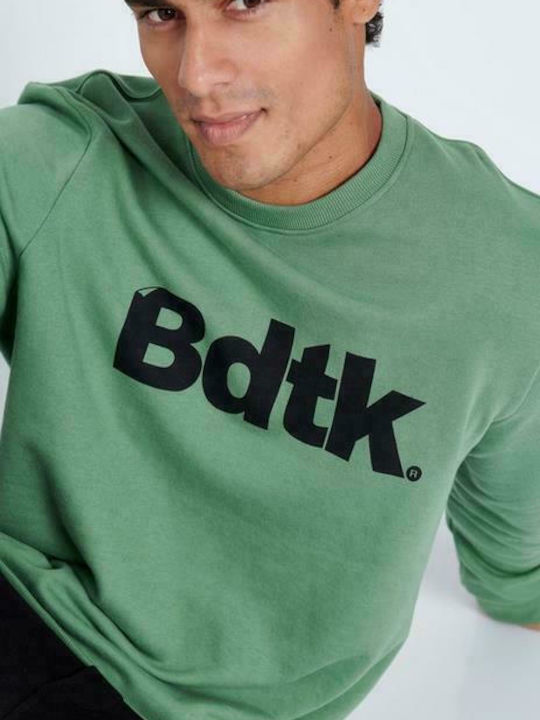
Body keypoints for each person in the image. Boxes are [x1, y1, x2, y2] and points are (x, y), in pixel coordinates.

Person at [0, 0, 539, 718]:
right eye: (160, 13)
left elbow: (519, 560)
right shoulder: (63, 160)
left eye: (244, 4)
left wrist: (517, 594)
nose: (196, 75)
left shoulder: (508, 272)